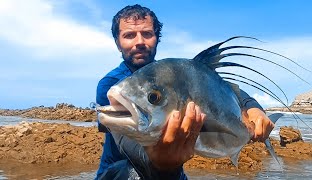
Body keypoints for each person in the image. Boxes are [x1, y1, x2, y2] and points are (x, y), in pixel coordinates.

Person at [95, 4, 275, 180]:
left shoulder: (176, 74)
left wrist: (253, 108)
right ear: (118, 43)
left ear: (157, 38)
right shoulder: (110, 85)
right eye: (129, 35)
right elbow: (127, 144)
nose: (139, 42)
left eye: (147, 34)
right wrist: (162, 162)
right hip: (119, 173)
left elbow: (218, 86)